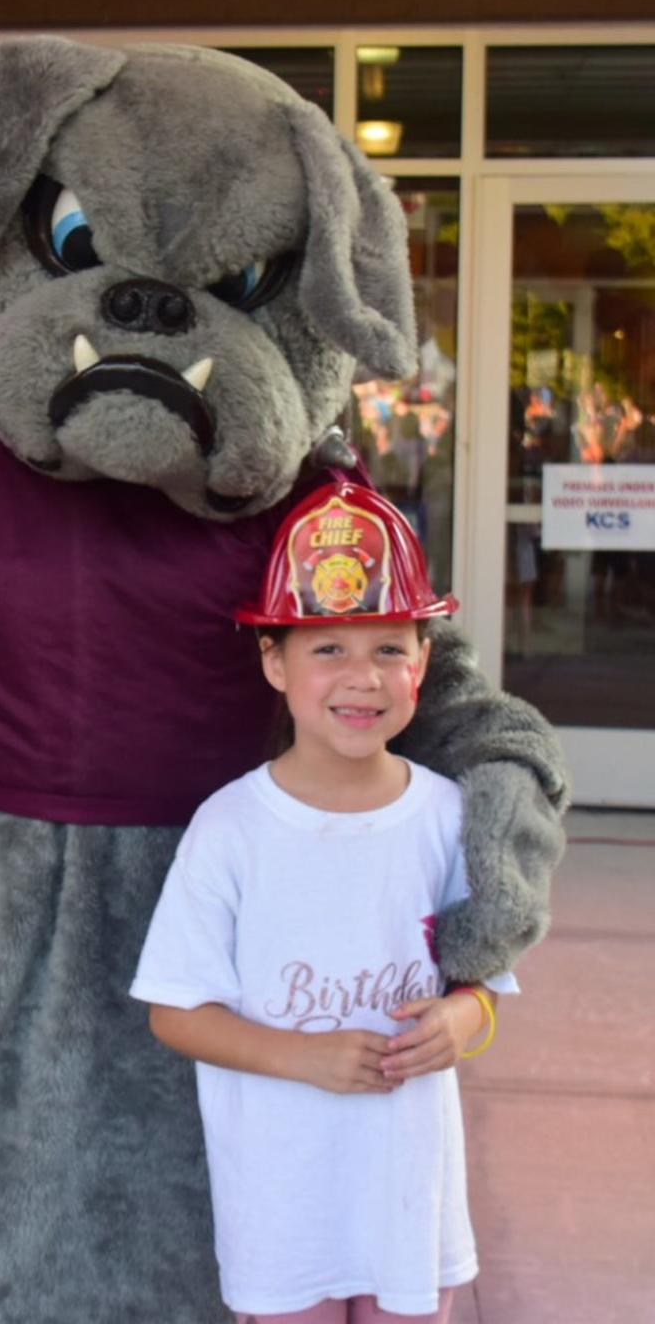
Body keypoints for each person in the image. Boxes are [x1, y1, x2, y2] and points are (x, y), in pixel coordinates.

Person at [131, 478, 517, 1324]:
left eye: (389, 648)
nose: (362, 677)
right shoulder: (231, 827)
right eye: (327, 649)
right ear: (273, 660)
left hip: (409, 1203)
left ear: (424, 660)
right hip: (283, 1208)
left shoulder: (450, 817)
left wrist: (463, 1024)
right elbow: (175, 1012)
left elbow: (488, 987)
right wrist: (304, 1057)